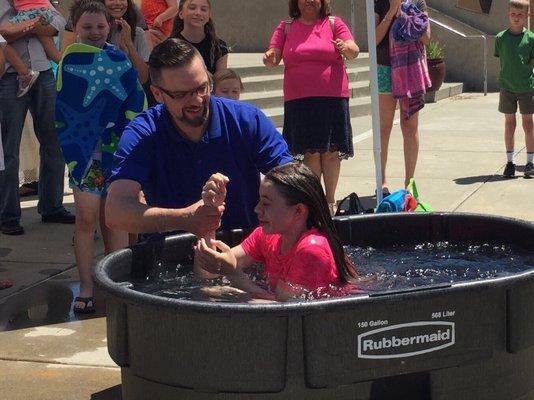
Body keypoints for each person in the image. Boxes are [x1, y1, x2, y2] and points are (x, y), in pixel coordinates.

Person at [105, 38, 292, 238]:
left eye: (202, 88)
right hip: (172, 253)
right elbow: (115, 212)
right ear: (157, 94)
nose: (196, 100)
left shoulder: (246, 120)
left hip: (245, 248)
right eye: (181, 94)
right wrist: (184, 218)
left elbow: (291, 180)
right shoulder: (143, 132)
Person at [57, 0, 146, 313]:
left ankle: (114, 281)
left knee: (117, 216)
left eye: (100, 26)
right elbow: (66, 109)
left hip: (116, 153)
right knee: (86, 217)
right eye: (87, 27)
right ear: (75, 29)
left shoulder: (119, 59)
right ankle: (86, 285)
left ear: (110, 26)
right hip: (84, 155)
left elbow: (135, 100)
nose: (94, 32)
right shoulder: (69, 60)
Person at [195, 162, 359, 301]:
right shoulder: (268, 235)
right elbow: (209, 272)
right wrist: (210, 211)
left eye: (266, 204)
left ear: (298, 211)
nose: (257, 209)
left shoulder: (312, 249)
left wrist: (233, 276)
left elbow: (282, 313)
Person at [263, 0, 359, 216]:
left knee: (332, 153)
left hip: (332, 98)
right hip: (300, 101)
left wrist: (346, 47)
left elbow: (354, 50)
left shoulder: (334, 23)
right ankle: (315, 202)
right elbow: (273, 56)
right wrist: (269, 57)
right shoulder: (286, 26)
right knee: (311, 154)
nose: (310, 0)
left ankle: (330, 202)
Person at [0, 1, 74, 236]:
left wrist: (22, 26)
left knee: (53, 141)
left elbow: (56, 27)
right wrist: (35, 24)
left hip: (43, 73)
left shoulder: (39, 0)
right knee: (8, 148)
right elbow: (3, 35)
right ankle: (8, 214)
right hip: (10, 76)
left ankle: (52, 206)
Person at [374, 0, 431, 196]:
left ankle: (409, 181)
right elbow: (374, 40)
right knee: (384, 127)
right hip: (384, 69)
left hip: (410, 69)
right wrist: (391, 11)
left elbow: (426, 37)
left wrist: (408, 16)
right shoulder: (378, 2)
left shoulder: (418, 2)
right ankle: (381, 181)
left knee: (410, 127)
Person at [61, 0, 150, 85]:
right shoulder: (84, 37)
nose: (118, 3)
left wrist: (129, 45)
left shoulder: (137, 33)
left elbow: (143, 78)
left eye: (101, 27)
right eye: (87, 27)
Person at [495, 0, 534, 178]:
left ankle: (530, 163)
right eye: (513, 14)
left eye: (520, 15)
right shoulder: (501, 37)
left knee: (528, 124)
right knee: (509, 124)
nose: (516, 18)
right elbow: (502, 59)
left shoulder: (531, 38)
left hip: (526, 87)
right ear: (508, 14)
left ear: (527, 15)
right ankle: (510, 162)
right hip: (507, 88)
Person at [2, 0, 62, 98]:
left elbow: (59, 24)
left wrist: (27, 26)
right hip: (43, 13)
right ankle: (65, 64)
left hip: (43, 68)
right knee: (50, 47)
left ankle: (25, 73)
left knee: (1, 37)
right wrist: (35, 27)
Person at [170, 0, 228, 74]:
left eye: (203, 9)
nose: (198, 13)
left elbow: (221, 81)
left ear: (209, 16)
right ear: (181, 14)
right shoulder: (171, 46)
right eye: (192, 8)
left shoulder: (219, 47)